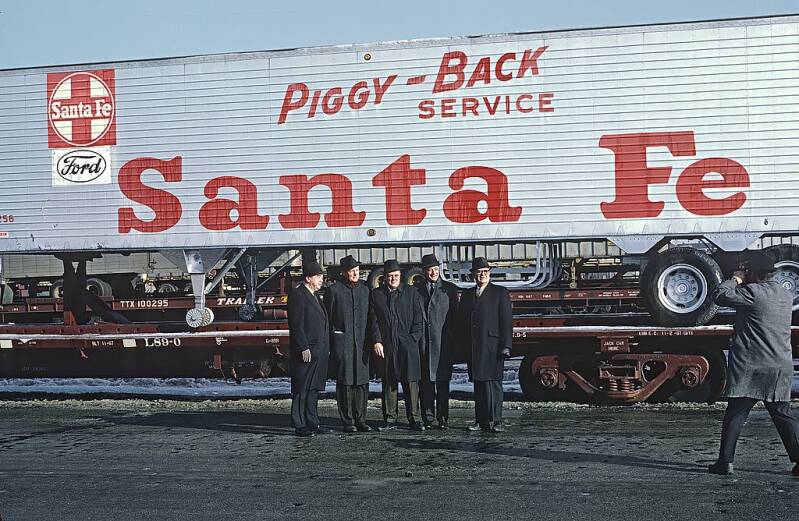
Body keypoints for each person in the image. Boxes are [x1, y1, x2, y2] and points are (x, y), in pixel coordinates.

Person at [708, 252, 799, 476]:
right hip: (779, 365)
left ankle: (725, 462)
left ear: (755, 274)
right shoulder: (785, 295)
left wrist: (736, 279)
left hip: (752, 365)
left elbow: (719, 295)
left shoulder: (751, 293)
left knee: (736, 413)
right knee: (782, 413)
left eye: (747, 271)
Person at [368, 259, 425, 430]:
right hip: (387, 345)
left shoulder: (411, 292)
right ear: (384, 277)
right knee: (389, 382)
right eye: (390, 276)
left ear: (401, 276)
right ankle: (390, 419)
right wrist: (377, 340)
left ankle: (414, 418)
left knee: (411, 382)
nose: (393, 278)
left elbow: (418, 319)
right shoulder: (377, 294)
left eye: (396, 275)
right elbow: (374, 321)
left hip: (407, 344)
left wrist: (413, 340)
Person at [458, 257, 512, 433]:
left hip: (493, 346)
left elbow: (506, 321)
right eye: (479, 272)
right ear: (473, 275)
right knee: (479, 385)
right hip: (474, 347)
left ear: (489, 273)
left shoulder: (499, 292)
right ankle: (480, 421)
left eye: (485, 272)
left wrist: (506, 346)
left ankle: (497, 421)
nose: (482, 275)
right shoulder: (467, 295)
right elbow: (463, 322)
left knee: (494, 384)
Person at [325, 255, 372, 433]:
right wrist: (332, 342)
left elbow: (371, 317)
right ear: (344, 273)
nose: (355, 273)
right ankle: (347, 421)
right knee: (345, 383)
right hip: (342, 343)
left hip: (361, 344)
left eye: (357, 271)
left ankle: (361, 419)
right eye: (351, 271)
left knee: (361, 383)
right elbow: (328, 320)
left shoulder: (365, 290)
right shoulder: (334, 291)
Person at [414, 253, 459, 429]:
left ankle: (443, 418)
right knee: (425, 384)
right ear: (424, 271)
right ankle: (428, 417)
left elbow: (455, 318)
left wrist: (453, 341)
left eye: (435, 269)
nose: (433, 272)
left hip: (443, 344)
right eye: (429, 269)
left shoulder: (449, 289)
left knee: (442, 384)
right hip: (424, 343)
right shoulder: (416, 290)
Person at [287, 260, 331, 437]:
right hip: (307, 351)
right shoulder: (298, 295)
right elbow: (296, 324)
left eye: (321, 276)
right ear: (308, 278)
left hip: (319, 350)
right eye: (318, 276)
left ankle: (313, 422)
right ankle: (299, 424)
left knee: (313, 388)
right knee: (302, 388)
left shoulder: (315, 295)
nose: (321, 279)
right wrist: (303, 347)